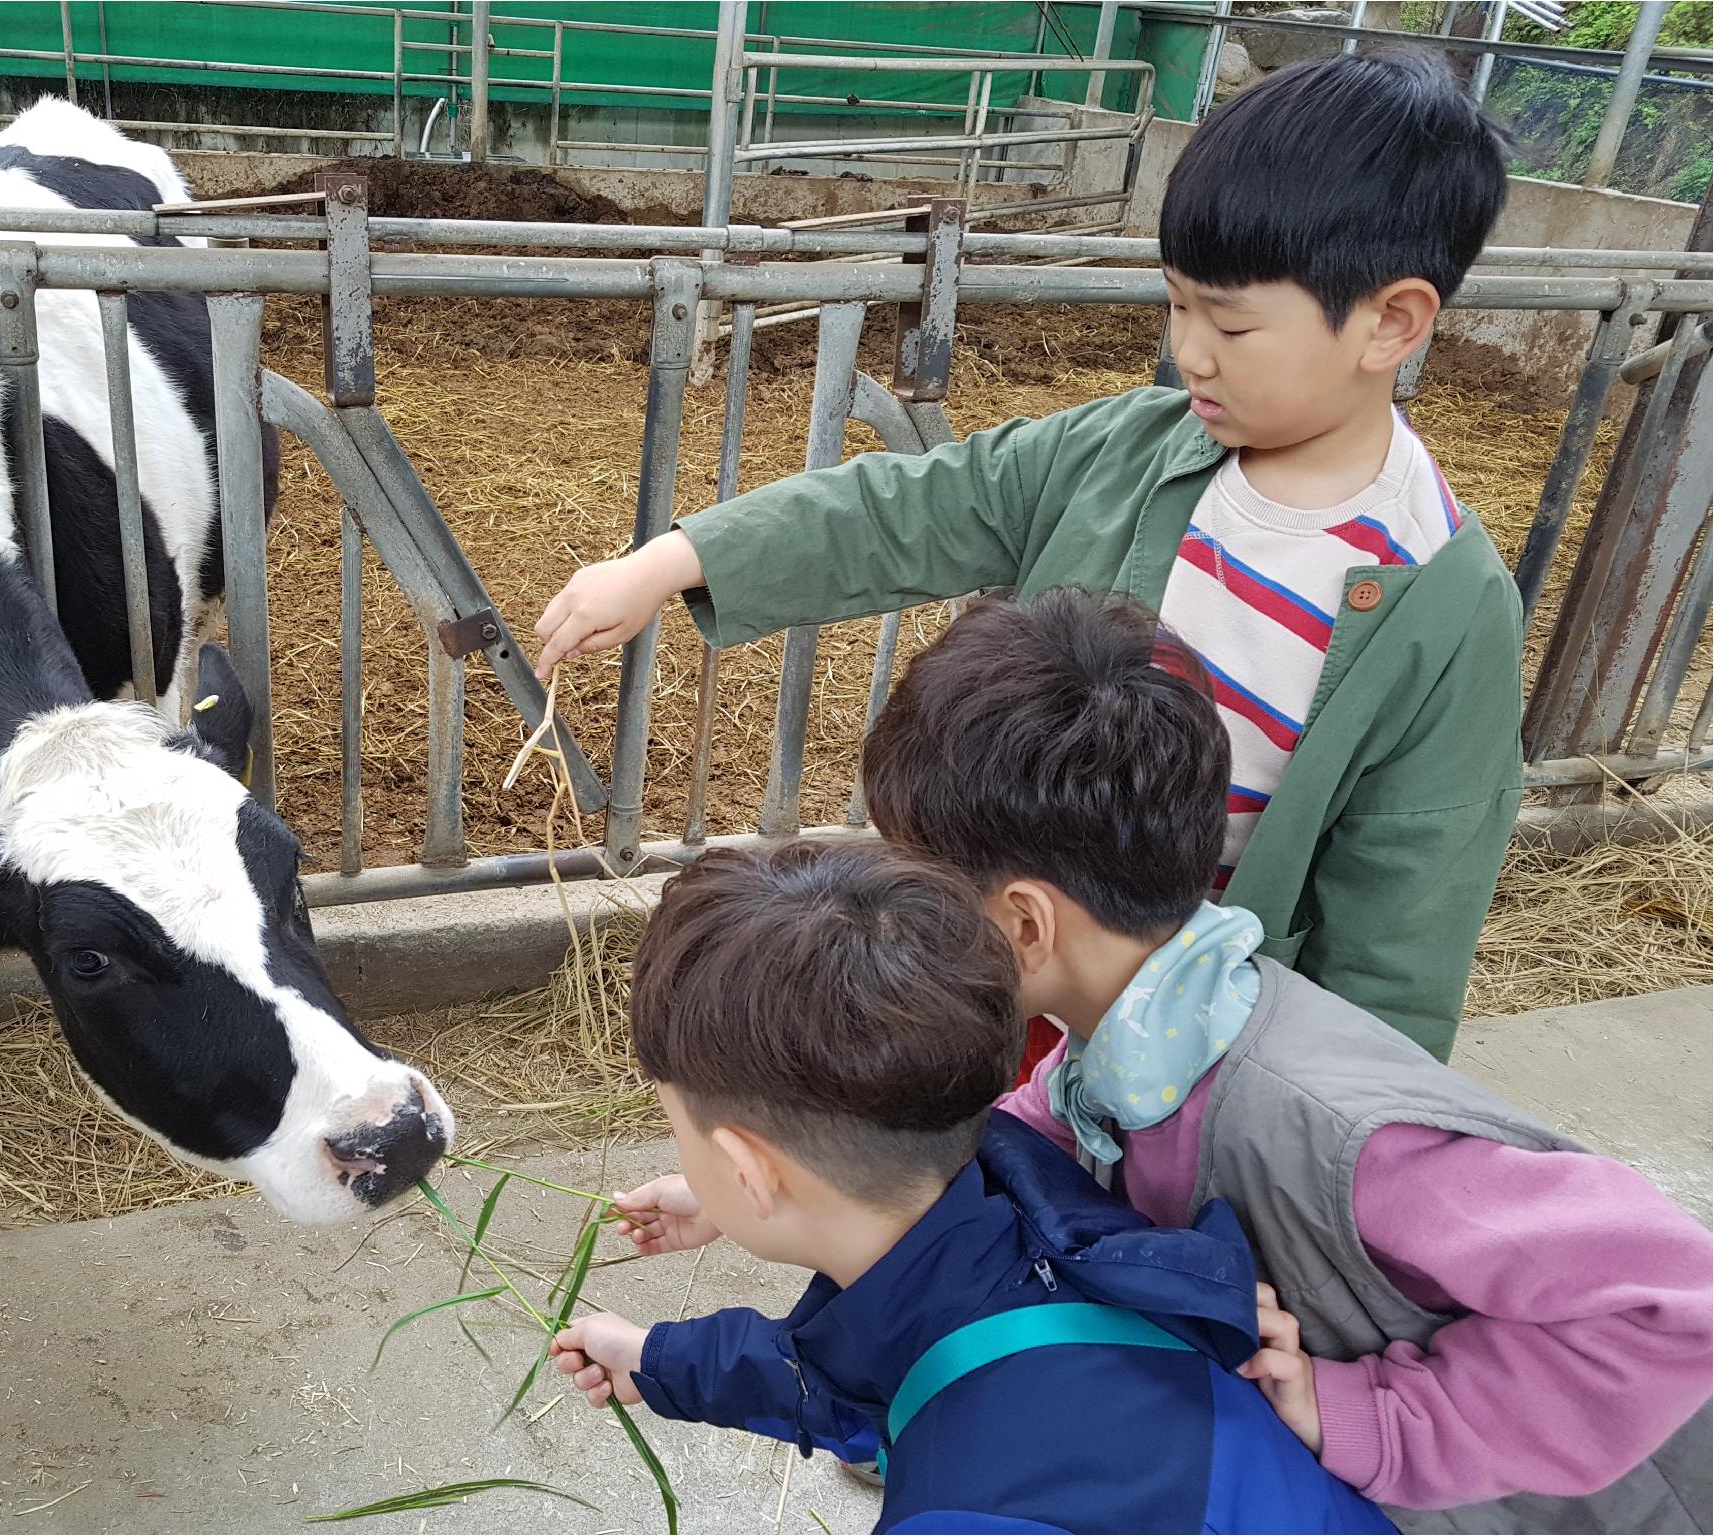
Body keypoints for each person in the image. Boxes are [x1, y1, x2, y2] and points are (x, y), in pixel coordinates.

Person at [532, 48, 1522, 1063]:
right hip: (1002, 963)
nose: (1188, 350)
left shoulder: (1440, 607)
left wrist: (1348, 1134)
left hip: (1203, 1035)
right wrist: (676, 558)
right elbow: (915, 506)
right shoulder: (1121, 448)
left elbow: (1405, 915)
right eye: (1177, 304)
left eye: (1228, 322)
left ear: (1390, 323)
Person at [835, 590, 1708, 1531]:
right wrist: (813, 1165)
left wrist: (1372, 1415)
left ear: (1025, 922)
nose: (910, 923)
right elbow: (1036, 1134)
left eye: (921, 893)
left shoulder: (1330, 1127)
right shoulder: (1133, 1034)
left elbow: (1670, 1304)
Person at [549, 837, 1391, 1535]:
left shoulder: (969, 1516)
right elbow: (882, 1357)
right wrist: (660, 1362)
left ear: (746, 1172)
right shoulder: (1045, 1210)